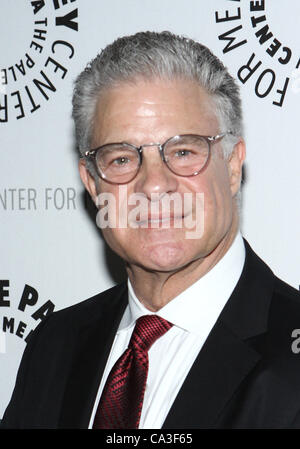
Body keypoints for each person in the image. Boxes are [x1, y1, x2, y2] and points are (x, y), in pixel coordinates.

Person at [2, 31, 300, 429]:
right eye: (122, 158)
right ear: (93, 184)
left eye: (182, 151)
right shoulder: (54, 345)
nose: (154, 185)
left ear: (231, 166)